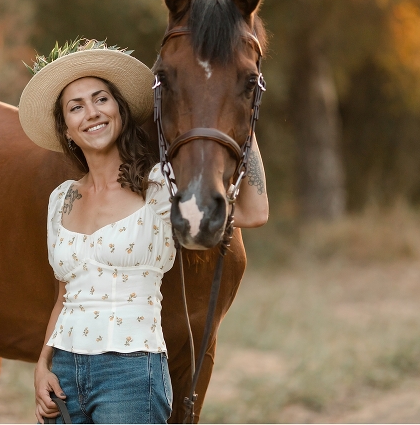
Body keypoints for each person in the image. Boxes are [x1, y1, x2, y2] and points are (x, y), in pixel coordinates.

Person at [18, 39, 268, 424]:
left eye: (101, 99)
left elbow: (254, 211)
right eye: (76, 106)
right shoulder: (62, 198)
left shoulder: (159, 188)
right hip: (64, 375)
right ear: (66, 129)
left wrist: (241, 111)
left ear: (120, 110)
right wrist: (42, 364)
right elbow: (66, 295)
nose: (91, 113)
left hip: (131, 375)